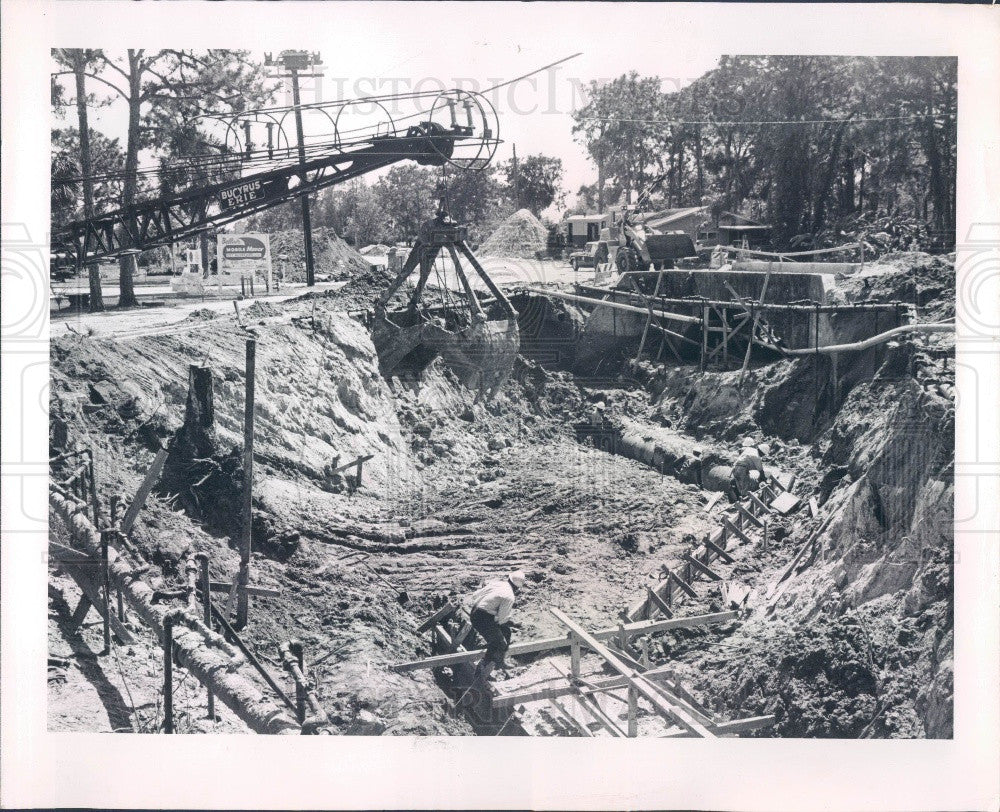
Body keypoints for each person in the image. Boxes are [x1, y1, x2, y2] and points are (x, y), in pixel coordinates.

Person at [465, 570, 526, 682]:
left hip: (475, 611)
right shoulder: (509, 596)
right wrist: (514, 623)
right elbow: (502, 620)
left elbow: (475, 595)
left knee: (506, 632)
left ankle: (500, 661)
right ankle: (482, 669)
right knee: (498, 642)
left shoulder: (498, 584)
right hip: (482, 618)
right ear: (517, 587)